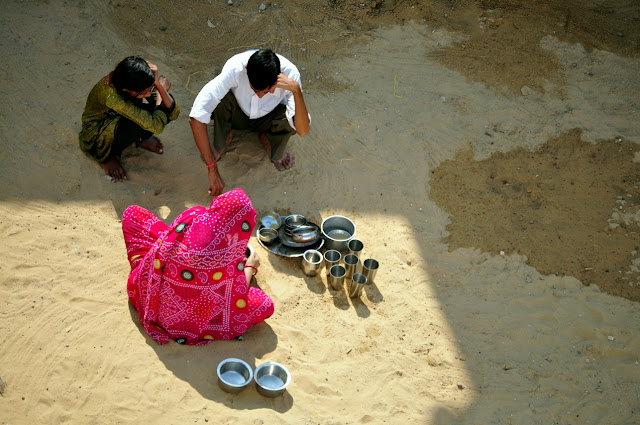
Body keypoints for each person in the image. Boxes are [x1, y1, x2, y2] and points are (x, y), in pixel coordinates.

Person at [122, 188, 274, 345]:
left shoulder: (193, 215)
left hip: (149, 296)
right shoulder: (222, 262)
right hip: (194, 320)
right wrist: (250, 267)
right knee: (265, 305)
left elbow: (167, 241)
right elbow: (233, 293)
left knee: (132, 214)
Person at [189, 48, 310, 196]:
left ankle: (270, 139)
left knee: (295, 115)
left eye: (266, 91)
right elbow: (196, 117)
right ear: (246, 70)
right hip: (237, 114)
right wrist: (212, 168)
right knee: (219, 98)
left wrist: (296, 90)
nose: (259, 96)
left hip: (269, 117)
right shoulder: (235, 67)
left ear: (279, 77)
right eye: (255, 89)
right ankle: (223, 137)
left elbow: (303, 130)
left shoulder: (291, 74)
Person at [79, 56, 180, 182]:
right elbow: (157, 126)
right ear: (126, 89)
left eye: (149, 90)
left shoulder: (137, 79)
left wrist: (159, 86)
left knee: (161, 113)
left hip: (121, 116)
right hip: (98, 134)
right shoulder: (113, 97)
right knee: (152, 118)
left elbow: (173, 113)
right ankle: (106, 156)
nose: (148, 95)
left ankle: (137, 139)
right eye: (143, 93)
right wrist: (161, 94)